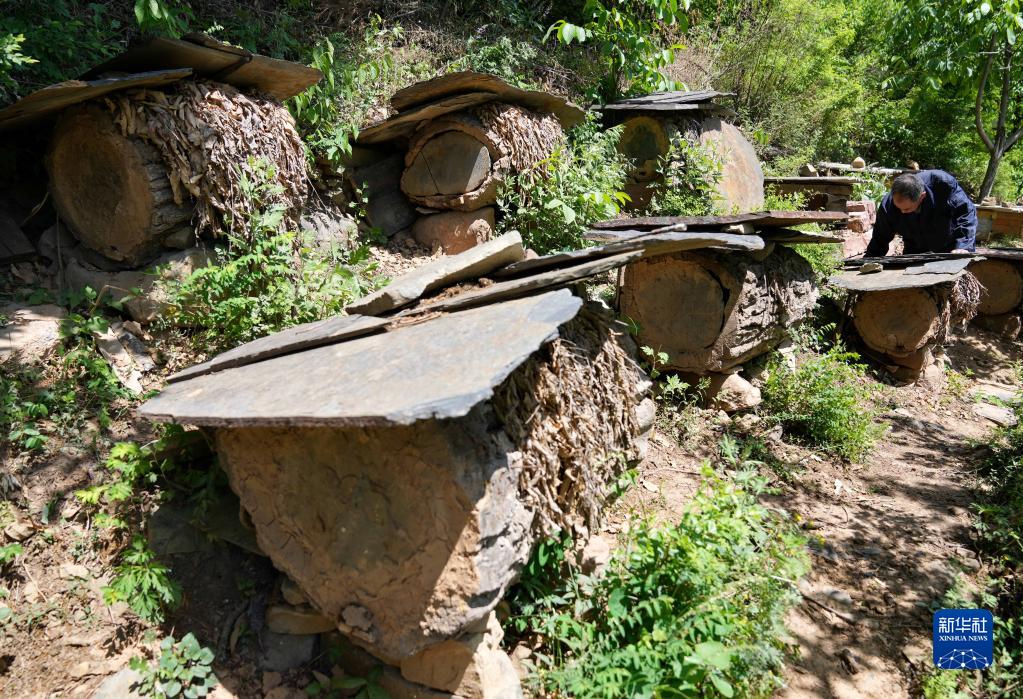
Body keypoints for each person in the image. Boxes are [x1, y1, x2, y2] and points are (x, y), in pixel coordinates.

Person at [865, 170, 977, 257]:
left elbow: (966, 214)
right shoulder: (888, 205)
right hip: (914, 248)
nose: (902, 212)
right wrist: (869, 260)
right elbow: (880, 237)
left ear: (921, 196)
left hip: (947, 245)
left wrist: (964, 246)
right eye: (898, 208)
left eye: (907, 209)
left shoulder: (943, 184)